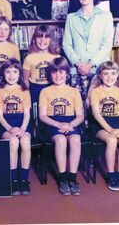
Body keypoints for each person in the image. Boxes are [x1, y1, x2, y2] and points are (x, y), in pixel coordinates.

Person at [39, 57, 84, 196]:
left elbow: (80, 116)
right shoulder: (45, 91)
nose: (58, 76)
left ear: (67, 73)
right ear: (50, 74)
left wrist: (71, 124)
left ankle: (72, 177)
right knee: (61, 140)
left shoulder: (74, 91)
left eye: (61, 72)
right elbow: (42, 116)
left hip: (71, 123)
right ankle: (63, 177)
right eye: (54, 72)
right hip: (53, 123)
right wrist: (58, 124)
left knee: (75, 140)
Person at [62, 0, 113, 101]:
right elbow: (66, 45)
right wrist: (79, 64)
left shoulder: (106, 16)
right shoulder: (71, 18)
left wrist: (90, 64)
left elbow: (106, 45)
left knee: (98, 107)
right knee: (78, 108)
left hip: (100, 70)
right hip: (77, 71)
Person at [89, 61, 119, 191]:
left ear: (117, 75)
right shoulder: (95, 92)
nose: (109, 77)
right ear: (100, 76)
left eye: (113, 73)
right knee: (112, 140)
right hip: (99, 126)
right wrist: (110, 130)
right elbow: (96, 115)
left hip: (117, 125)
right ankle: (111, 175)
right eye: (106, 74)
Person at [0, 58, 31, 196]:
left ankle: (24, 180)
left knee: (25, 141)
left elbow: (27, 114)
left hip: (22, 123)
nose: (11, 75)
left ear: (19, 74)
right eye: (8, 72)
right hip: (6, 125)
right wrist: (10, 129)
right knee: (14, 142)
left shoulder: (24, 90)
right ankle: (14, 179)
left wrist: (22, 129)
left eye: (15, 72)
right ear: (3, 74)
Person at [23, 25, 61, 106]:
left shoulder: (56, 57)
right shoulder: (29, 58)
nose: (42, 40)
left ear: (51, 40)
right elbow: (26, 81)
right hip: (35, 89)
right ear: (34, 39)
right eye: (39, 37)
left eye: (46, 37)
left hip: (51, 87)